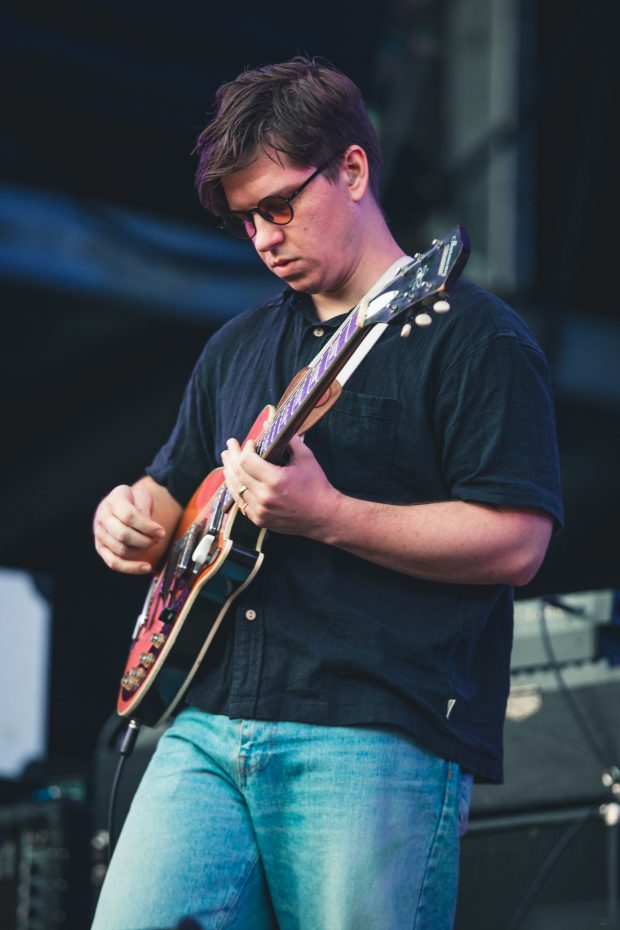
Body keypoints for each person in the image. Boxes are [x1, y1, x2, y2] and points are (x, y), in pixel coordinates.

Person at [91, 56, 563, 930]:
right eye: (246, 220)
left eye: (279, 205)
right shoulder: (234, 348)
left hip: (375, 728)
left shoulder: (472, 338)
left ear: (351, 169)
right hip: (203, 723)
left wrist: (331, 517)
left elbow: (518, 541)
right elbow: (168, 490)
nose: (264, 236)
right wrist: (127, 521)